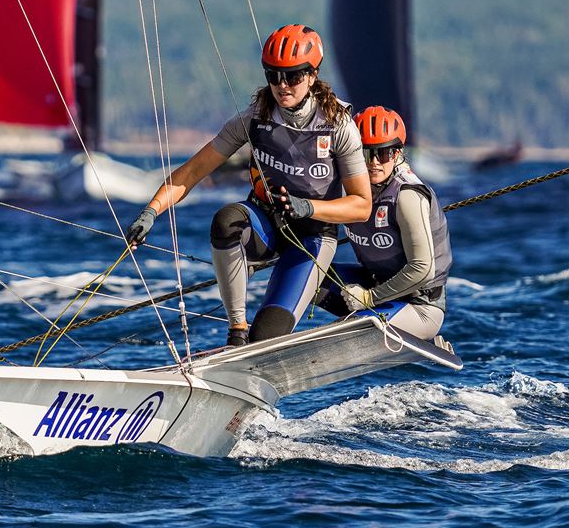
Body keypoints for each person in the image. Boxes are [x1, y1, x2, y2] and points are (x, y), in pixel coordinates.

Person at [125, 24, 371, 346]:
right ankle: (236, 331)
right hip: (265, 225)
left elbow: (362, 205)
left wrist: (308, 207)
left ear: (312, 76)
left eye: (293, 76)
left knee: (266, 338)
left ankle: (264, 335)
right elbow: (193, 172)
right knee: (226, 221)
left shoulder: (338, 125)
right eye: (273, 75)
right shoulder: (255, 116)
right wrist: (151, 211)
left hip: (312, 237)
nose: (282, 86)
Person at [318, 106, 452, 341]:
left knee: (343, 332)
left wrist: (368, 298)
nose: (374, 163)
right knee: (304, 273)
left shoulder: (408, 195)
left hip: (420, 306)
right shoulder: (348, 187)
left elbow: (423, 269)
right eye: (366, 154)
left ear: (398, 153)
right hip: (374, 285)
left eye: (384, 153)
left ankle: (406, 331)